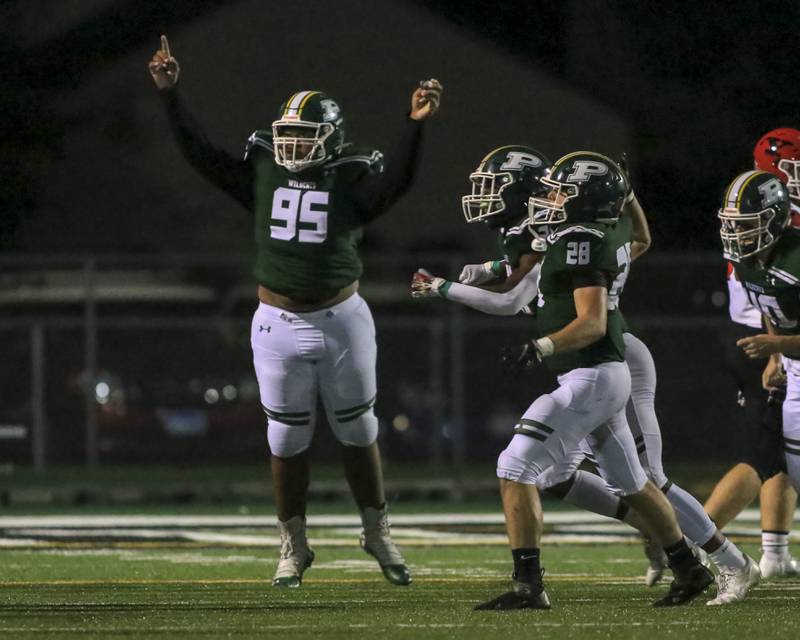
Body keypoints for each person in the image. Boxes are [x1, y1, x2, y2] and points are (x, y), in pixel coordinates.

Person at [148, 35, 442, 588]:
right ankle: (294, 544)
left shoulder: (350, 177)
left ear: (332, 140)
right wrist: (171, 96)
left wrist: (415, 124)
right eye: (288, 135)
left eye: (306, 137)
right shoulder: (262, 170)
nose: (293, 146)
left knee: (359, 432)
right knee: (285, 440)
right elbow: (201, 156)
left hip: (341, 319)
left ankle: (376, 531)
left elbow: (396, 185)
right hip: (276, 323)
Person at [414, 148, 759, 604]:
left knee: (640, 477)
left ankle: (725, 560)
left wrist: (449, 289)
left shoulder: (577, 238)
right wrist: (493, 269)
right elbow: (632, 239)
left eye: (558, 194)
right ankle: (673, 549)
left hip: (603, 357)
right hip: (588, 361)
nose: (547, 200)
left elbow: (520, 298)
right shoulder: (572, 229)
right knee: (596, 477)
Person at [703, 129, 800, 579]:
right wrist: (776, 353)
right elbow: (770, 300)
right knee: (763, 455)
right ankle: (686, 542)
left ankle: (775, 553)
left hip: (772, 337)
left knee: (778, 455)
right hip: (761, 340)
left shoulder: (769, 222)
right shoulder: (763, 223)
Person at [721, 168, 800, 520]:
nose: (736, 232)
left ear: (773, 220)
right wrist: (777, 355)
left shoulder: (796, 262)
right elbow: (769, 304)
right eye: (733, 223)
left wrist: (777, 344)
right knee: (794, 472)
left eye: (745, 223)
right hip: (795, 370)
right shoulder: (747, 263)